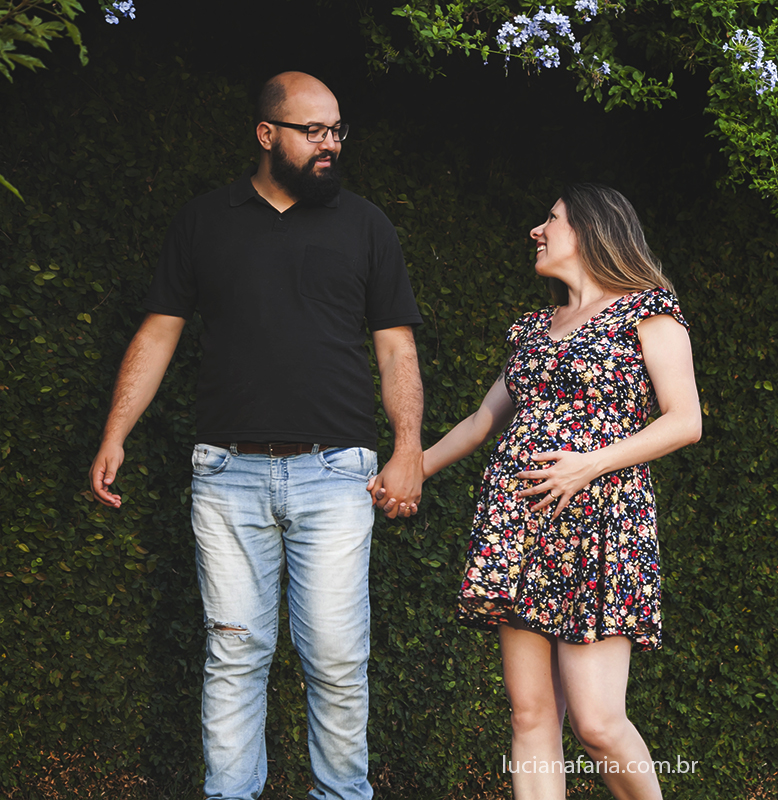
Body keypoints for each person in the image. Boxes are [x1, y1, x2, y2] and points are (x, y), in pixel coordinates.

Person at [87, 71, 423, 800]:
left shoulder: (366, 225)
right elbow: (160, 332)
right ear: (267, 134)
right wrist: (116, 432)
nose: (330, 144)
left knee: (335, 659)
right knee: (235, 657)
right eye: (314, 131)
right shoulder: (205, 221)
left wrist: (408, 449)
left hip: (338, 474)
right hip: (227, 474)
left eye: (337, 130)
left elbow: (396, 348)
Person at [422, 183, 702, 799]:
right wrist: (408, 470)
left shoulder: (647, 311)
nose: (536, 230)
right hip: (516, 526)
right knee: (530, 717)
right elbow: (480, 422)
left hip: (600, 525)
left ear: (592, 231)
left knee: (598, 724)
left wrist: (587, 466)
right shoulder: (531, 328)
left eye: (550, 219)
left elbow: (685, 420)